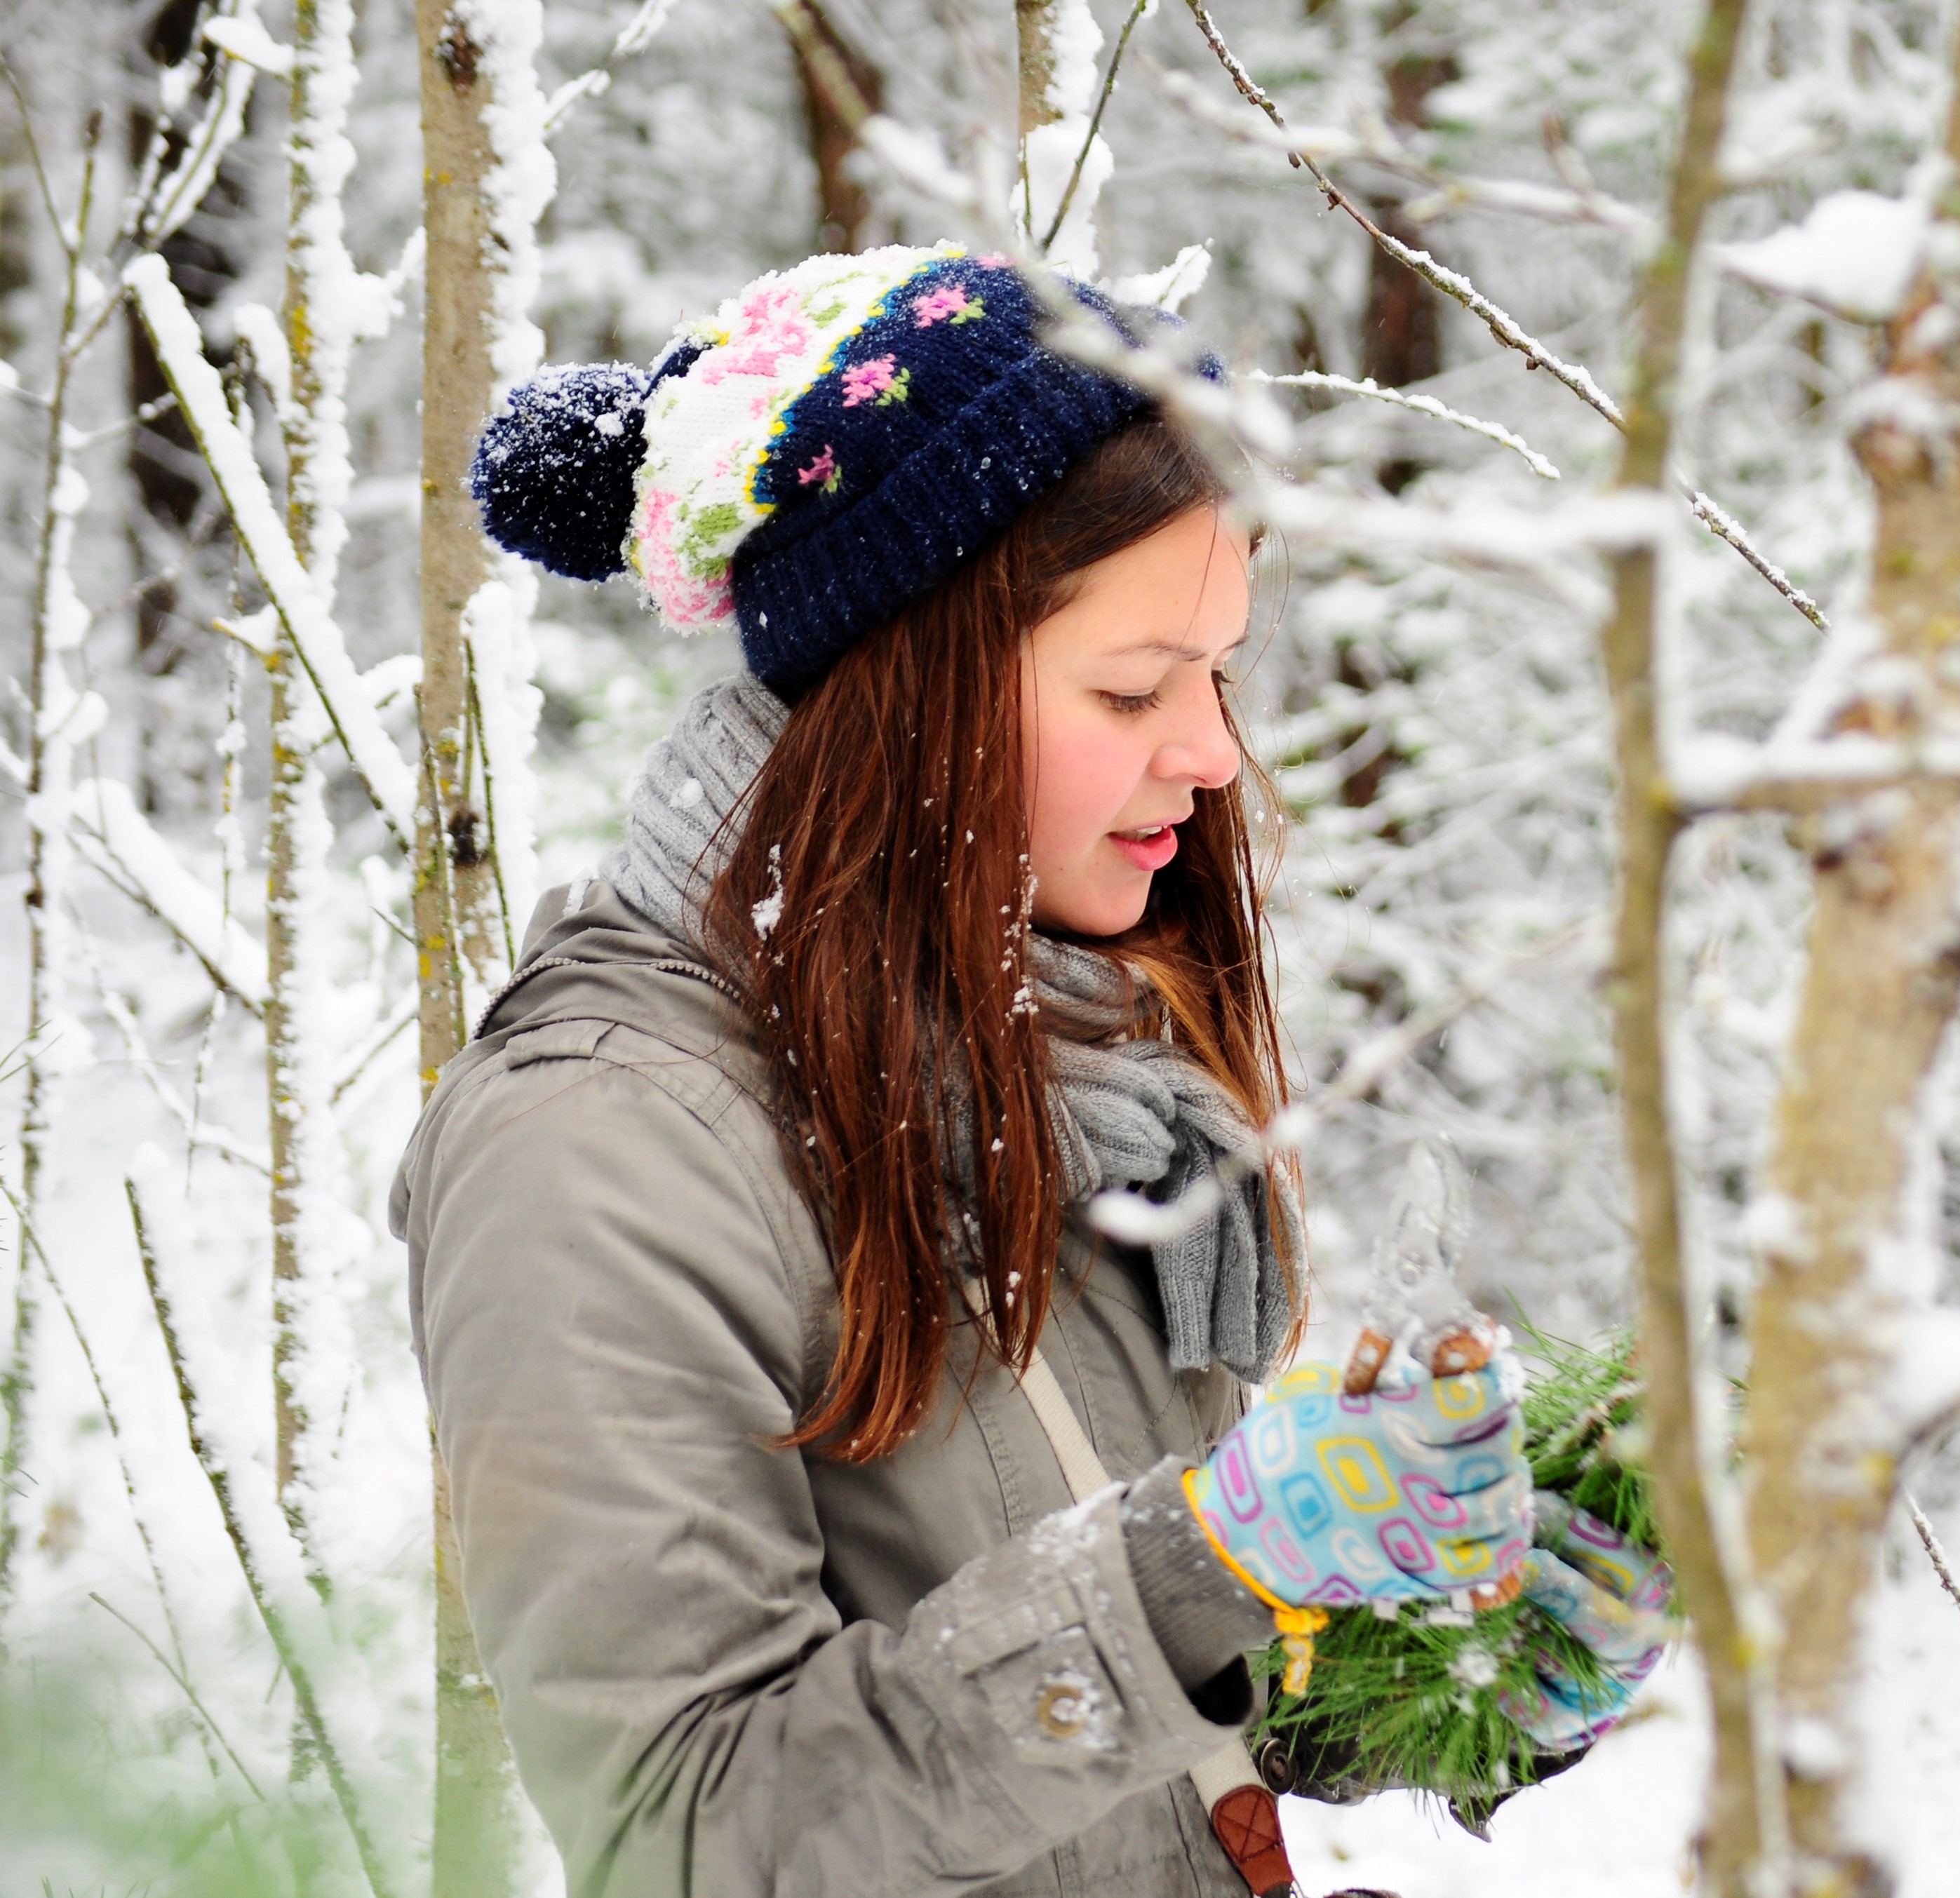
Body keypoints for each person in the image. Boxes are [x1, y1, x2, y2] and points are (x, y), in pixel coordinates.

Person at [393, 242, 1669, 1898]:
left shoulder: (1071, 1059)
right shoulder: (601, 1147)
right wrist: (1210, 1558)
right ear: (899, 683)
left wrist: (1436, 1664)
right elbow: (689, 1831)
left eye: (1216, 673)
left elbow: (1110, 1705)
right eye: (1134, 684)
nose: (1211, 755)